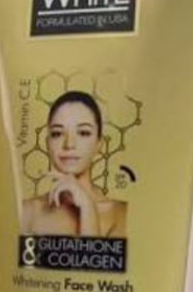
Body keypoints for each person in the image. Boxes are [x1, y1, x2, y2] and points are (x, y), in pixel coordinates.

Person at [22, 91, 126, 238]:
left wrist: (87, 208)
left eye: (83, 133)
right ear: (48, 144)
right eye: (57, 133)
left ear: (99, 145)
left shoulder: (120, 214)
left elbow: (92, 254)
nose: (69, 144)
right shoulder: (27, 211)